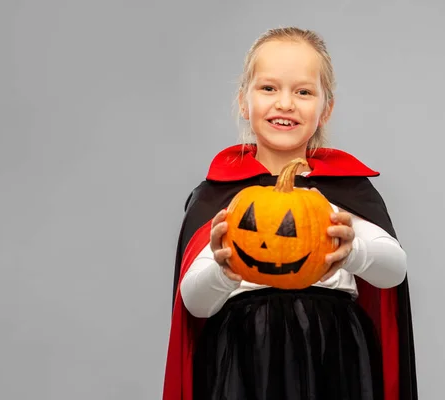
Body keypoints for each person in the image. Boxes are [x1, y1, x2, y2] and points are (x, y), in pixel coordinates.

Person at [163, 27, 418, 400]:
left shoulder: (346, 191)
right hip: (243, 357)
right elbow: (194, 303)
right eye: (268, 88)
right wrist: (223, 268)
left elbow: (394, 270)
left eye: (303, 91)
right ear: (243, 102)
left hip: (333, 351)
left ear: (325, 109)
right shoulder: (221, 198)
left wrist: (353, 250)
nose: (285, 103)